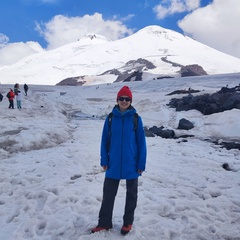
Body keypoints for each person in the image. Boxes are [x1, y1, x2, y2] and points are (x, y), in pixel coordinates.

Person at [91, 86, 147, 235]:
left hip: (132, 163)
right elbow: (104, 140)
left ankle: (127, 223)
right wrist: (104, 159)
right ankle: (104, 223)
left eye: (127, 99)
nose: (124, 101)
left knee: (132, 195)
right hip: (114, 163)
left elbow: (141, 143)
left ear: (130, 101)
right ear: (117, 100)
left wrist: (141, 163)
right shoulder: (110, 118)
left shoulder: (136, 119)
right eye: (121, 98)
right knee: (108, 194)